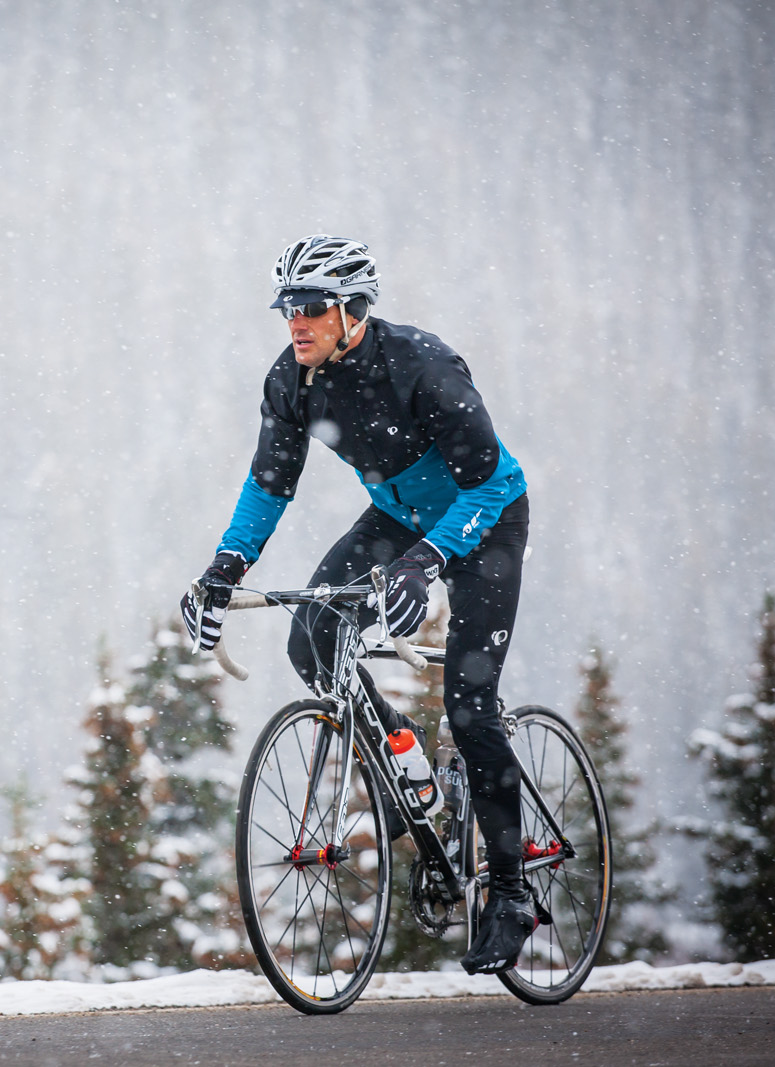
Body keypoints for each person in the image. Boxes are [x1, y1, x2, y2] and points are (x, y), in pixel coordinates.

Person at [180, 235, 535, 975]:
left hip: (487, 519)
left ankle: (509, 893)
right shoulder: (295, 381)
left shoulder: (423, 368)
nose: (296, 323)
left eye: (310, 308)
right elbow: (270, 483)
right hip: (400, 520)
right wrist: (225, 566)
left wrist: (427, 562)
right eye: (287, 309)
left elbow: (491, 482)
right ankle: (406, 756)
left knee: (470, 704)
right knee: (312, 640)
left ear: (352, 310)